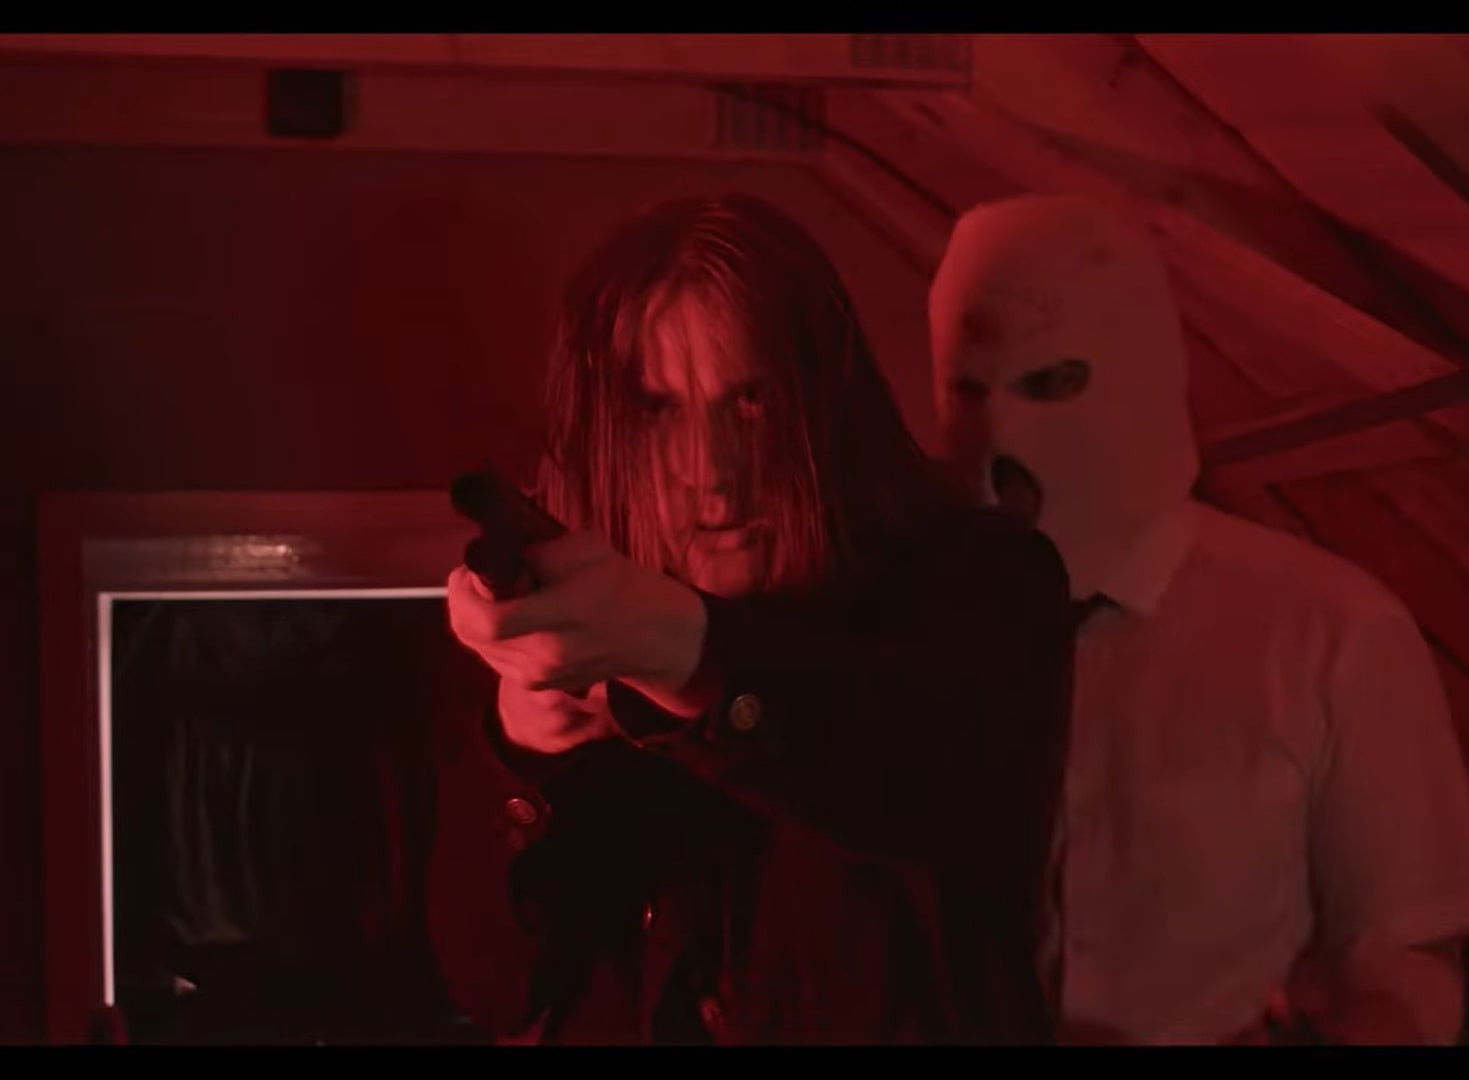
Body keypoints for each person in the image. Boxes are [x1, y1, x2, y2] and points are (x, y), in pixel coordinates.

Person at [427, 193, 1076, 1044]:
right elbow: (497, 984)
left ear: (825, 405)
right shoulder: (588, 633)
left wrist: (686, 656)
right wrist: (526, 753)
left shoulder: (977, 579)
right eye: (658, 410)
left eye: (753, 401)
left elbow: (913, 777)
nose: (712, 469)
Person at [927, 193, 1469, 1045]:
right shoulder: (917, 634)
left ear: (1140, 372)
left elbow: (1404, 961)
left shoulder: (1332, 635)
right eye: (968, 391)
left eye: (1050, 382)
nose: (1003, 430)